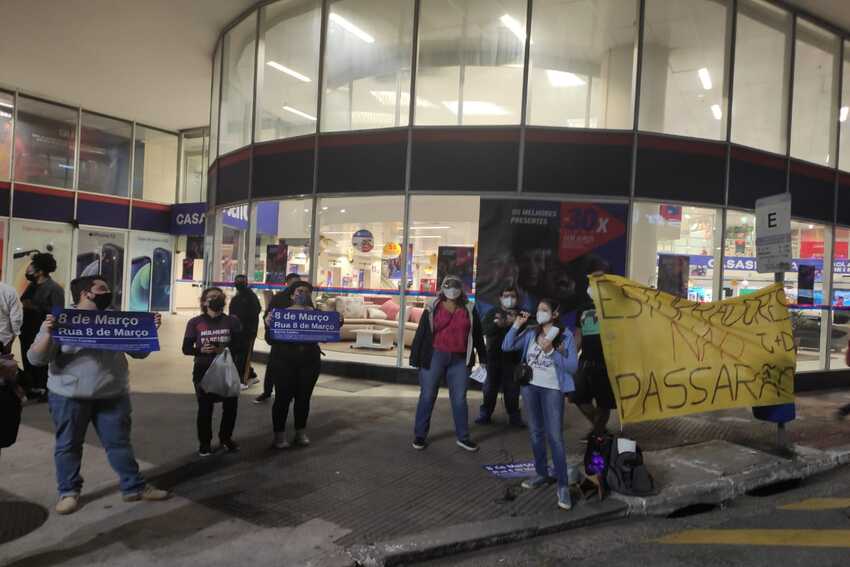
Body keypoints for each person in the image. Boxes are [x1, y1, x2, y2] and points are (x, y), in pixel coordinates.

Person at [28, 275, 171, 515]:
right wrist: (48, 335)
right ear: (86, 293)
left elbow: (139, 354)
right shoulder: (61, 320)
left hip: (112, 393)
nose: (109, 292)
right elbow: (36, 359)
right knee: (68, 445)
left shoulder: (117, 320)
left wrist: (147, 332)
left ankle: (133, 486)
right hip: (69, 395)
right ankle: (68, 492)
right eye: (102, 288)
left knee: (119, 443)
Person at [503, 298, 578, 511]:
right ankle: (542, 473)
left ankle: (563, 485)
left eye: (545, 310)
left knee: (555, 437)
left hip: (552, 390)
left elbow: (572, 367)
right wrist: (517, 324)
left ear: (555, 313)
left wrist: (552, 352)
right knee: (536, 433)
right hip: (530, 388)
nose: (540, 313)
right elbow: (507, 345)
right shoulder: (530, 332)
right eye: (539, 309)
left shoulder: (565, 335)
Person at [410, 275, 487, 452]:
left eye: (455, 286)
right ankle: (420, 435)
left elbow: (476, 335)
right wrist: (415, 358)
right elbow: (422, 333)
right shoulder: (433, 307)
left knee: (459, 398)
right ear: (443, 288)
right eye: (448, 286)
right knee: (428, 395)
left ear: (461, 289)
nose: (452, 290)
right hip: (435, 355)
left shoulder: (469, 308)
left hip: (460, 359)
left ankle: (463, 437)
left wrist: (483, 358)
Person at [183, 287, 244, 457]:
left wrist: (221, 348)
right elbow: (186, 348)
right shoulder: (195, 323)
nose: (216, 299)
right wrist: (203, 351)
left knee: (231, 406)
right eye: (211, 297)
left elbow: (240, 346)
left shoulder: (232, 321)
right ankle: (205, 442)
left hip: (227, 369)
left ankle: (226, 438)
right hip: (203, 369)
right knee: (205, 407)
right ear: (204, 302)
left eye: (218, 296)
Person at [264, 281, 323, 449]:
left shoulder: (318, 315)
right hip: (284, 362)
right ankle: (279, 435)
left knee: (304, 399)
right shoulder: (278, 314)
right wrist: (270, 326)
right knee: (282, 398)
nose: (302, 293)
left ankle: (300, 432)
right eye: (299, 290)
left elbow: (328, 332)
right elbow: (269, 340)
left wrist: (337, 322)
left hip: (309, 362)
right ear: (291, 295)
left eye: (306, 291)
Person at [572, 271, 616, 436]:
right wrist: (572, 358)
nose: (593, 288)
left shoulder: (612, 306)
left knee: (604, 402)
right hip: (585, 361)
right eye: (591, 284)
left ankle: (597, 434)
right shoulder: (582, 309)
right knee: (578, 398)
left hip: (607, 362)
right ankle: (600, 429)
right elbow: (578, 335)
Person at [476, 286, 524, 427]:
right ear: (500, 298)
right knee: (490, 389)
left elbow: (530, 332)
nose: (510, 299)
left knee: (512, 391)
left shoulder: (522, 315)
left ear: (517, 298)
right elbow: (484, 330)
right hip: (493, 358)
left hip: (514, 360)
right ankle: (485, 414)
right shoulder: (493, 312)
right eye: (506, 295)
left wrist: (516, 323)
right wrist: (500, 325)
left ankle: (514, 417)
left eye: (513, 296)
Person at [20, 253, 64, 401]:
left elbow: (58, 311)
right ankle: (32, 387)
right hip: (26, 327)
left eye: (32, 268)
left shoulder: (54, 288)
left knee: (42, 360)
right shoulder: (31, 286)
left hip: (41, 329)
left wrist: (36, 307)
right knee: (27, 358)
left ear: (40, 271)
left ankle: (44, 389)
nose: (29, 270)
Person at [254, 272, 301, 404]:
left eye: (298, 283)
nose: (296, 286)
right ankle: (267, 392)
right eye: (293, 283)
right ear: (287, 283)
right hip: (280, 342)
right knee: (272, 368)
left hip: (297, 342)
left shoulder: (303, 299)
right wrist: (268, 323)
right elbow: (268, 315)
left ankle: (291, 393)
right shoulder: (279, 298)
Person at [229, 275, 262, 389]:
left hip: (247, 332)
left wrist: (248, 328)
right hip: (237, 332)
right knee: (239, 355)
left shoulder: (250, 296)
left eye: (241, 281)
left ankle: (243, 380)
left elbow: (256, 311)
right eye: (237, 281)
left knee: (244, 356)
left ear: (246, 282)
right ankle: (251, 375)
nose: (238, 284)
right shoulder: (238, 297)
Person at [0, 281, 23, 355]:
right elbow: (16, 319)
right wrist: (12, 338)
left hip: (4, 339)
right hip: (3, 340)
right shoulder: (9, 291)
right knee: (4, 364)